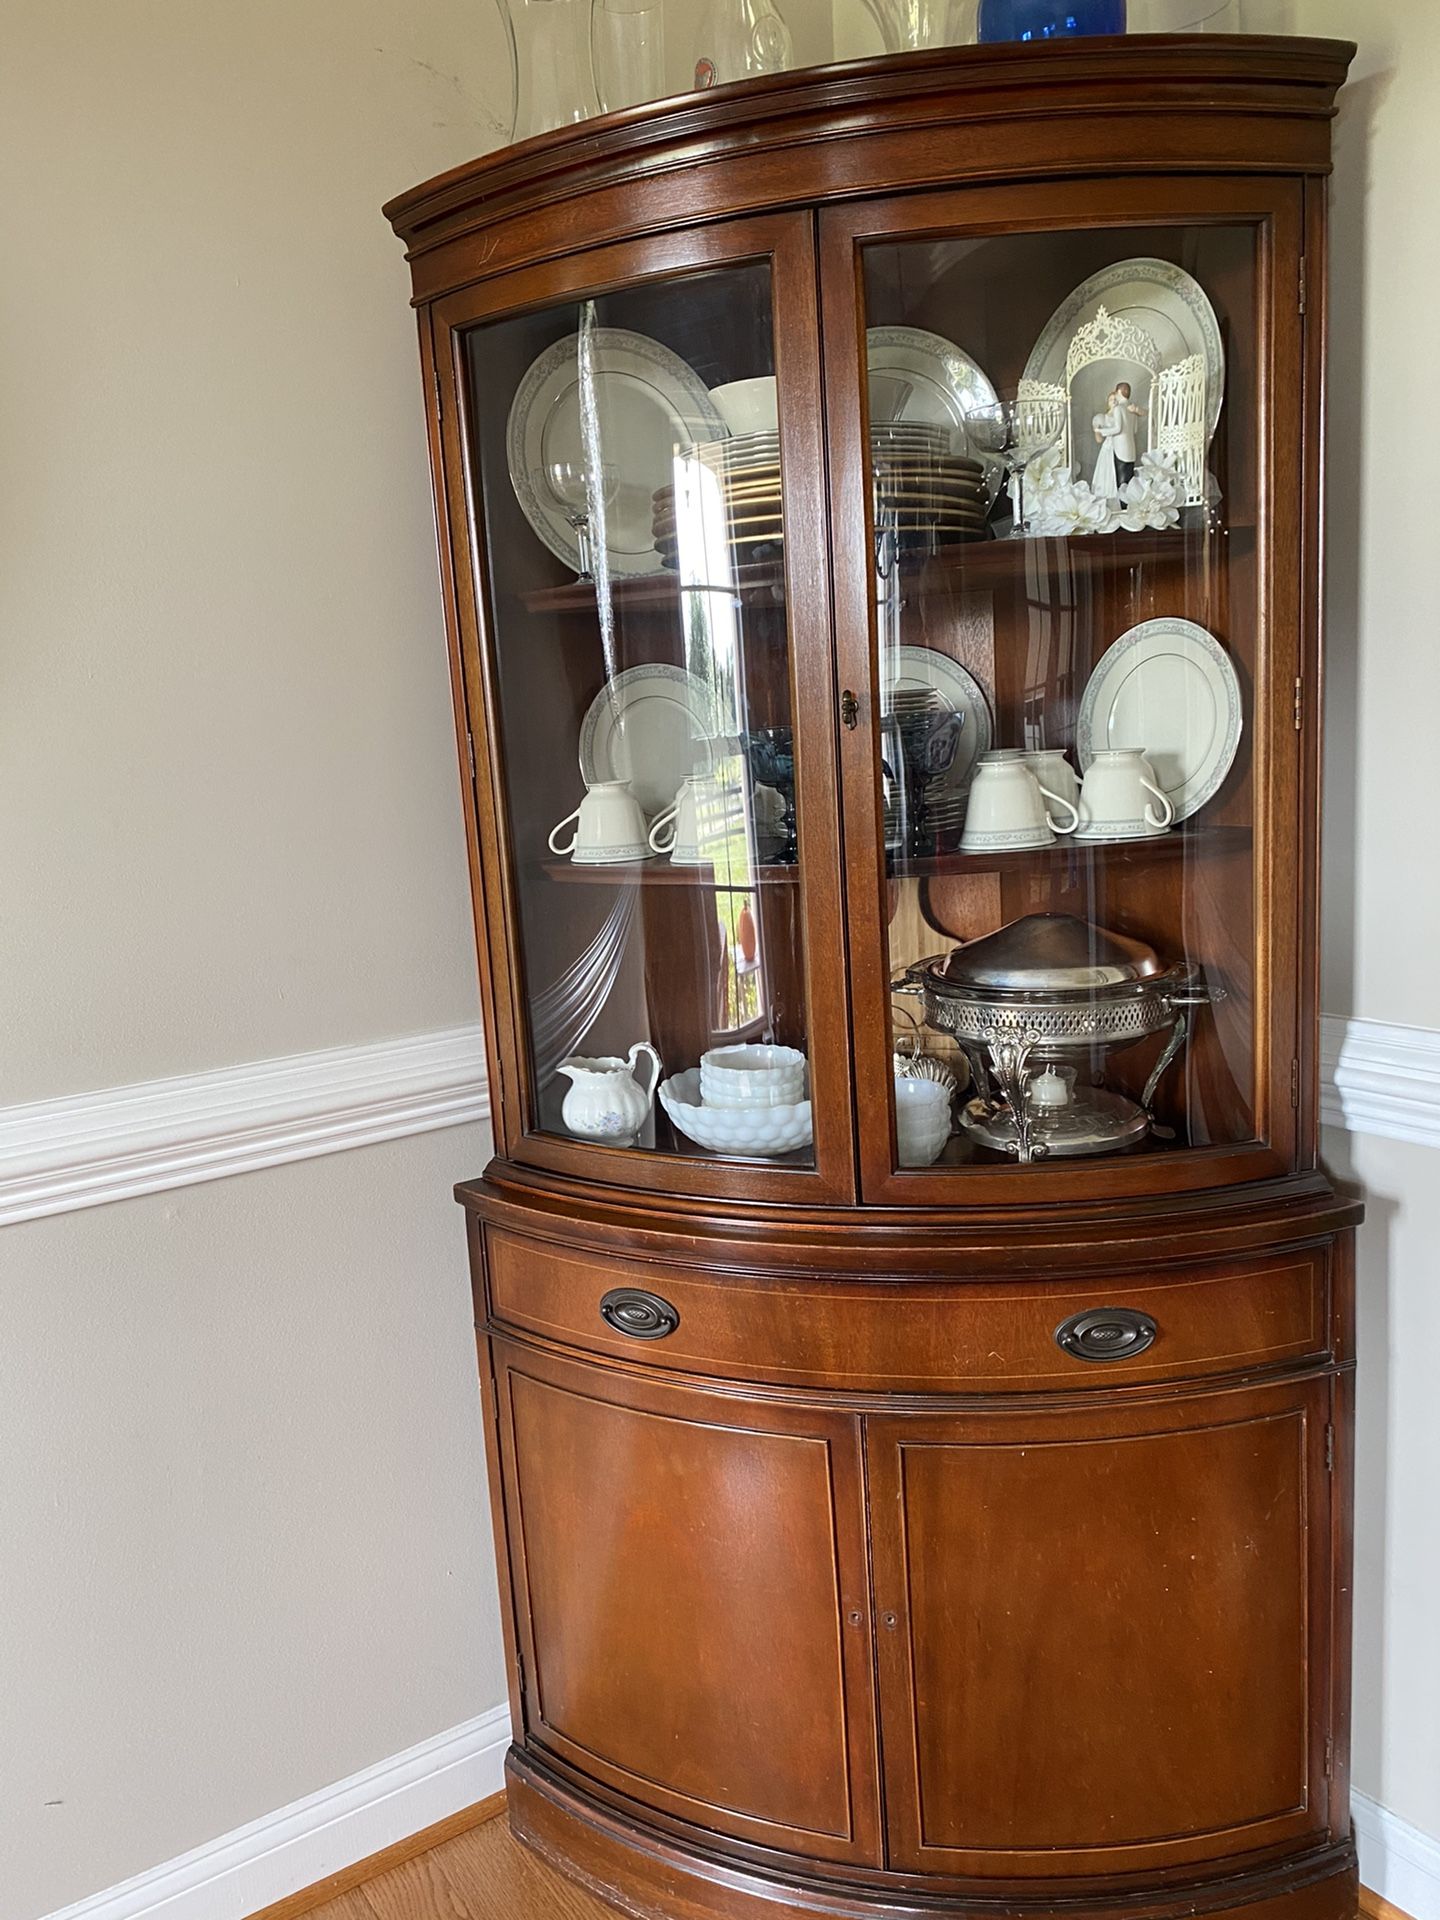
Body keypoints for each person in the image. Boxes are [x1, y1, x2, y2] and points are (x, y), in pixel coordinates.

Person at [1092, 381, 1146, 494]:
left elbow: (1118, 429)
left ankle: (1124, 505)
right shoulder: (1132, 409)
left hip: (1120, 448)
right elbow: (1135, 430)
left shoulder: (1119, 408)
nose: (1114, 399)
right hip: (1130, 448)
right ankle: (1127, 504)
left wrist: (1101, 431)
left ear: (1119, 392)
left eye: (1115, 395)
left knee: (1121, 480)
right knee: (1128, 479)